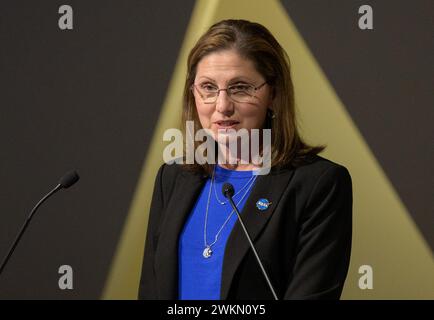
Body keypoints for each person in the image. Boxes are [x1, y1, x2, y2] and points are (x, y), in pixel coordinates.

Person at [138, 19, 352, 300]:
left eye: (240, 88)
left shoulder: (318, 185)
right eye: (208, 88)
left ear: (273, 94)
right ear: (193, 94)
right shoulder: (173, 177)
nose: (222, 106)